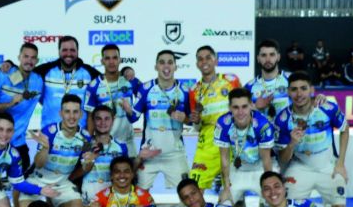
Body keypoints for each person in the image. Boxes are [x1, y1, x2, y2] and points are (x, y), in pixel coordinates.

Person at [275, 71, 349, 207]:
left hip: (328, 166)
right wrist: (292, 144)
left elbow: (345, 128)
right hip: (299, 167)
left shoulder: (327, 108)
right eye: (294, 89)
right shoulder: (282, 119)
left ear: (311, 90)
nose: (299, 93)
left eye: (303, 88)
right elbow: (282, 159)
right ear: (288, 92)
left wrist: (341, 163)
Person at [19, 94, 90, 207]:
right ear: (60, 113)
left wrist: (88, 163)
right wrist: (44, 148)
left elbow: (85, 167)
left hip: (62, 184)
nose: (71, 116)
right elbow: (38, 163)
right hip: (37, 180)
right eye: (67, 112)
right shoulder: (49, 132)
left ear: (80, 114)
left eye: (75, 112)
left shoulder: (85, 137)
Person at [0, 42, 45, 207]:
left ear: (37, 60)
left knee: (20, 181)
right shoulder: (3, 74)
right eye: (26, 56)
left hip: (17, 141)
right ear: (19, 57)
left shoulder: (38, 81)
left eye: (33, 58)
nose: (29, 60)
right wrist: (10, 104)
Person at [125, 49, 191, 191]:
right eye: (162, 63)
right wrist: (127, 109)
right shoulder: (146, 89)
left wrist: (185, 118)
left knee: (187, 194)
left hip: (175, 154)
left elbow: (193, 122)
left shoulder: (185, 91)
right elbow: (133, 118)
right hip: (149, 154)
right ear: (156, 66)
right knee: (138, 196)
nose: (166, 66)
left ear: (175, 67)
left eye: (170, 62)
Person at [69, 105, 129, 207]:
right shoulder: (84, 145)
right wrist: (88, 164)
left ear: (113, 120)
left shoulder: (121, 146)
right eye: (98, 119)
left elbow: (128, 177)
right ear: (93, 122)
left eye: (106, 118)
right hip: (90, 205)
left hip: (114, 205)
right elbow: (71, 177)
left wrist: (140, 158)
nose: (103, 122)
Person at [214, 88, 275, 207]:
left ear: (251, 106)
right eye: (235, 107)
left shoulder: (262, 124)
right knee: (225, 206)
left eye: (244, 107)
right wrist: (226, 188)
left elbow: (267, 160)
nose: (240, 112)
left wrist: (269, 187)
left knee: (271, 203)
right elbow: (224, 159)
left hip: (260, 169)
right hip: (238, 169)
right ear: (229, 107)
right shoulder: (223, 123)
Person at [187, 45, 242, 191]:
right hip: (207, 144)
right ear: (197, 64)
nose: (204, 61)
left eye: (208, 58)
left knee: (234, 192)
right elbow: (197, 127)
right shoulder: (194, 91)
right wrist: (196, 121)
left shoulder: (231, 81)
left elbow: (244, 107)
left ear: (215, 61)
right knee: (194, 188)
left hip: (232, 139)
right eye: (200, 59)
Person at [85, 44, 140, 157]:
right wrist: (89, 143)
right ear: (102, 61)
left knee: (132, 174)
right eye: (107, 58)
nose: (111, 62)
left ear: (120, 60)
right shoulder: (93, 86)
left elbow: (145, 101)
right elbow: (90, 117)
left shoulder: (130, 81)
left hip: (128, 143)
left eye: (115, 58)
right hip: (105, 144)